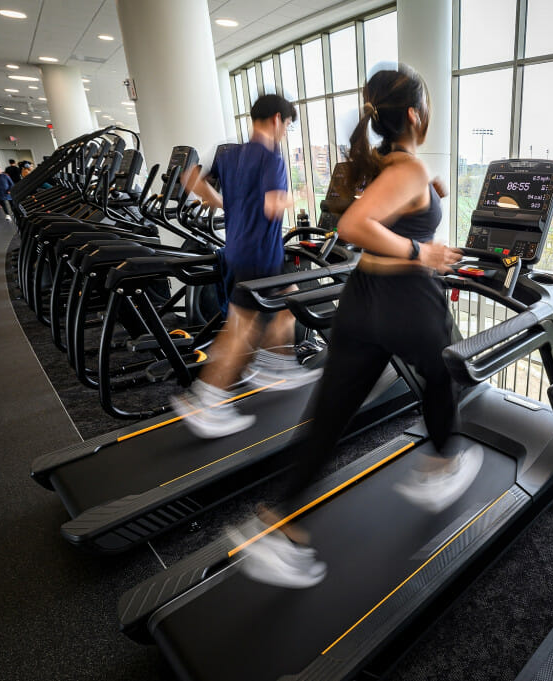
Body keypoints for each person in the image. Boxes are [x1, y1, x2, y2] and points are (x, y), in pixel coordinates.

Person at [227, 66, 477, 589]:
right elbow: (353, 225)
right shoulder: (402, 170)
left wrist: (427, 192)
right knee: (448, 372)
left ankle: (276, 521)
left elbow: (377, 204)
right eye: (425, 107)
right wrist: (421, 248)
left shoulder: (385, 163)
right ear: (413, 114)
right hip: (407, 298)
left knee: (330, 417)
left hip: (363, 299)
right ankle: (440, 466)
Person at [171, 93, 320, 438]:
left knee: (289, 300)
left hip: (238, 250)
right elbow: (272, 207)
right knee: (242, 328)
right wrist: (301, 196)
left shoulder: (230, 153)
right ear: (276, 120)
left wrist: (220, 202)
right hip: (260, 254)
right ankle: (207, 400)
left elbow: (190, 178)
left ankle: (275, 363)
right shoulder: (271, 158)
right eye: (288, 125)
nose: (286, 131)